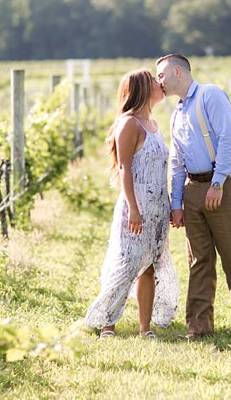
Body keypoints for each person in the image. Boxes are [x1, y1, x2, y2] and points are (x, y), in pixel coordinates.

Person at [155, 53, 231, 338]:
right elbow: (176, 162)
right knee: (198, 260)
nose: (158, 81)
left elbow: (228, 139)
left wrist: (219, 182)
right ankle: (198, 327)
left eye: (160, 75)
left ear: (176, 72)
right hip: (192, 190)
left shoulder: (210, 95)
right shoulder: (176, 113)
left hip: (220, 185)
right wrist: (176, 204)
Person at [85, 68, 178, 338]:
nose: (161, 84)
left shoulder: (155, 126)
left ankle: (144, 328)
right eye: (154, 81)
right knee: (125, 263)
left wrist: (170, 204)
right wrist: (134, 209)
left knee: (149, 266)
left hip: (157, 209)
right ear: (142, 90)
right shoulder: (128, 124)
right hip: (135, 208)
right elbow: (125, 169)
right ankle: (107, 323)